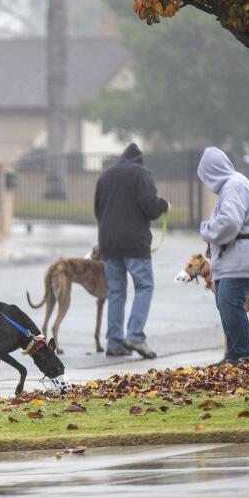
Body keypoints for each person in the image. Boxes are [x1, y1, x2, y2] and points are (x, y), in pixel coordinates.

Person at [93, 143, 167, 359]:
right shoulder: (141, 174)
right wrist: (163, 205)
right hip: (135, 243)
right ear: (139, 160)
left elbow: (98, 211)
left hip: (109, 243)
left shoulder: (105, 176)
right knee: (144, 286)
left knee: (116, 292)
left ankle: (114, 342)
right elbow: (151, 207)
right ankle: (135, 335)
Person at [197, 147, 249, 364]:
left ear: (211, 172)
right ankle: (232, 356)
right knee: (225, 301)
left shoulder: (233, 186)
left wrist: (207, 230)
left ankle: (244, 354)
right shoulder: (232, 185)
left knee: (229, 300)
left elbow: (229, 222)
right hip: (238, 256)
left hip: (243, 256)